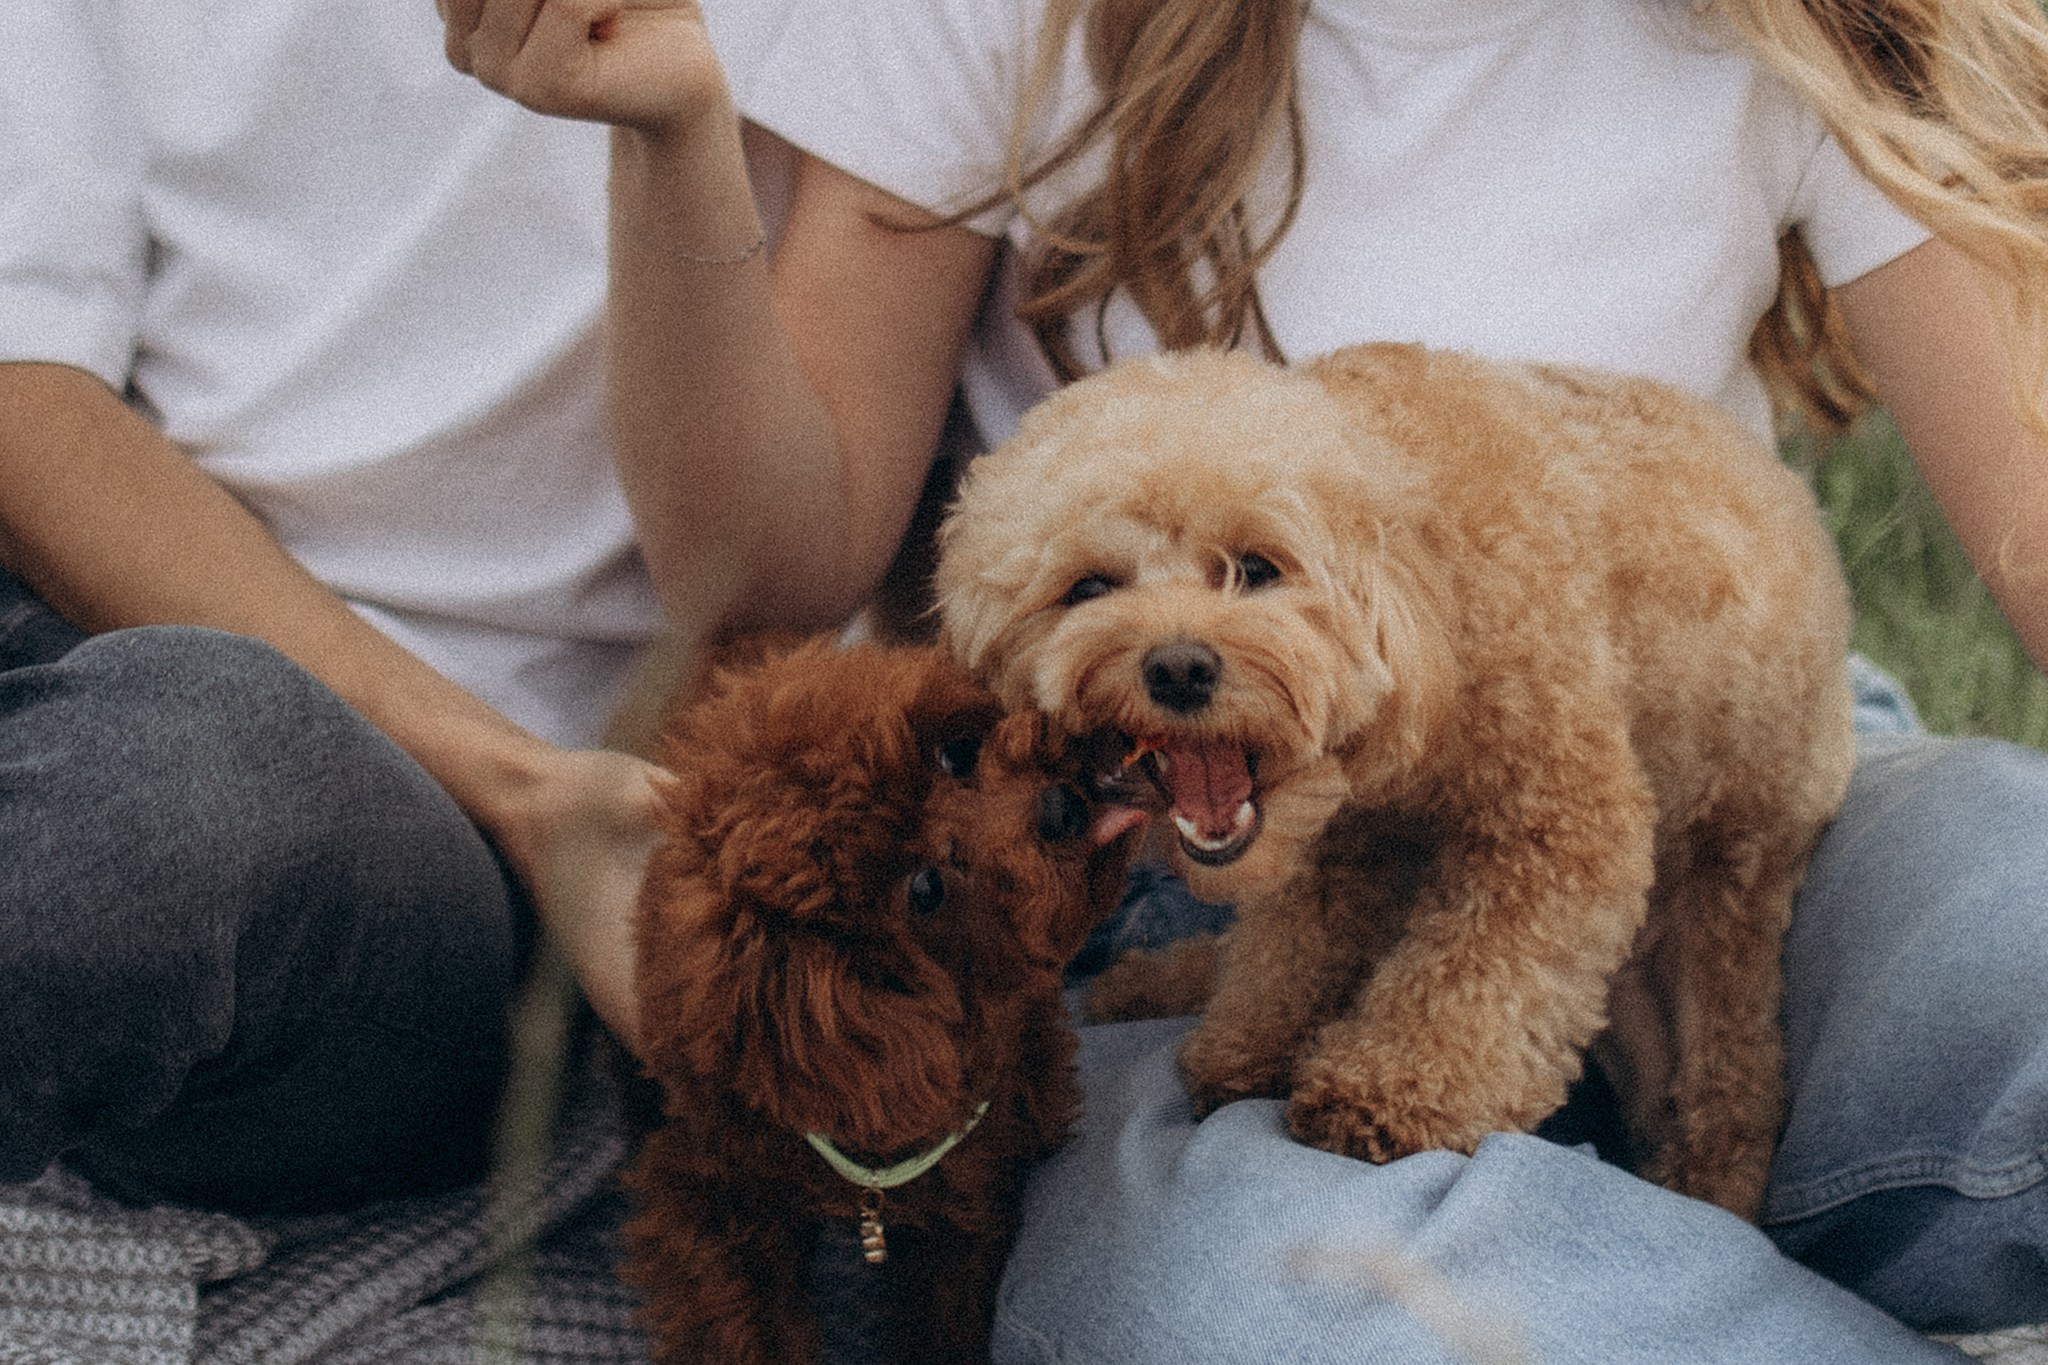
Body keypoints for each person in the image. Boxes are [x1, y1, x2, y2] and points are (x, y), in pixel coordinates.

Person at [443, 0, 2048, 1359]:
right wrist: (669, 138)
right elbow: (764, 571)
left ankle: (1605, 1239)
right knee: (1235, 1295)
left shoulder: (1817, 25)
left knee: (2014, 914)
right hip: (1176, 858)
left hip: (1707, 786)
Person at [0, 0, 782, 1220]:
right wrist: (519, 783)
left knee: (166, 797)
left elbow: (787, 562)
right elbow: (27, 398)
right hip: (115, 627)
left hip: (402, 869)